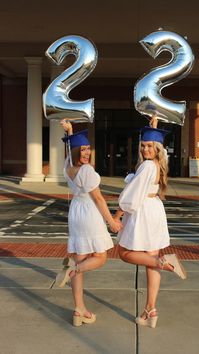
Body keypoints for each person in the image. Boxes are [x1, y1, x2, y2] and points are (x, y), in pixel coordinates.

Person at [113, 117, 186, 329]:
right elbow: (139, 188)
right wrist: (152, 128)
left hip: (142, 211)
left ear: (157, 149)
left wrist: (116, 217)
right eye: (143, 145)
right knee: (150, 261)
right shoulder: (157, 164)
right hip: (154, 210)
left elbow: (131, 196)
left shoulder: (146, 166)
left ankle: (165, 262)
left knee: (125, 253)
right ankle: (150, 310)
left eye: (149, 146)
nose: (145, 149)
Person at [56, 120, 122, 327]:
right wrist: (111, 221)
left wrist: (70, 132)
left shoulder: (68, 167)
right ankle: (71, 271)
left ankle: (79, 310)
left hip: (75, 211)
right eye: (82, 149)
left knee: (79, 260)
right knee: (100, 257)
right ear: (76, 151)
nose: (86, 152)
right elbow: (99, 199)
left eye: (87, 149)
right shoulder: (87, 171)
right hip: (89, 213)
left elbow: (68, 152)